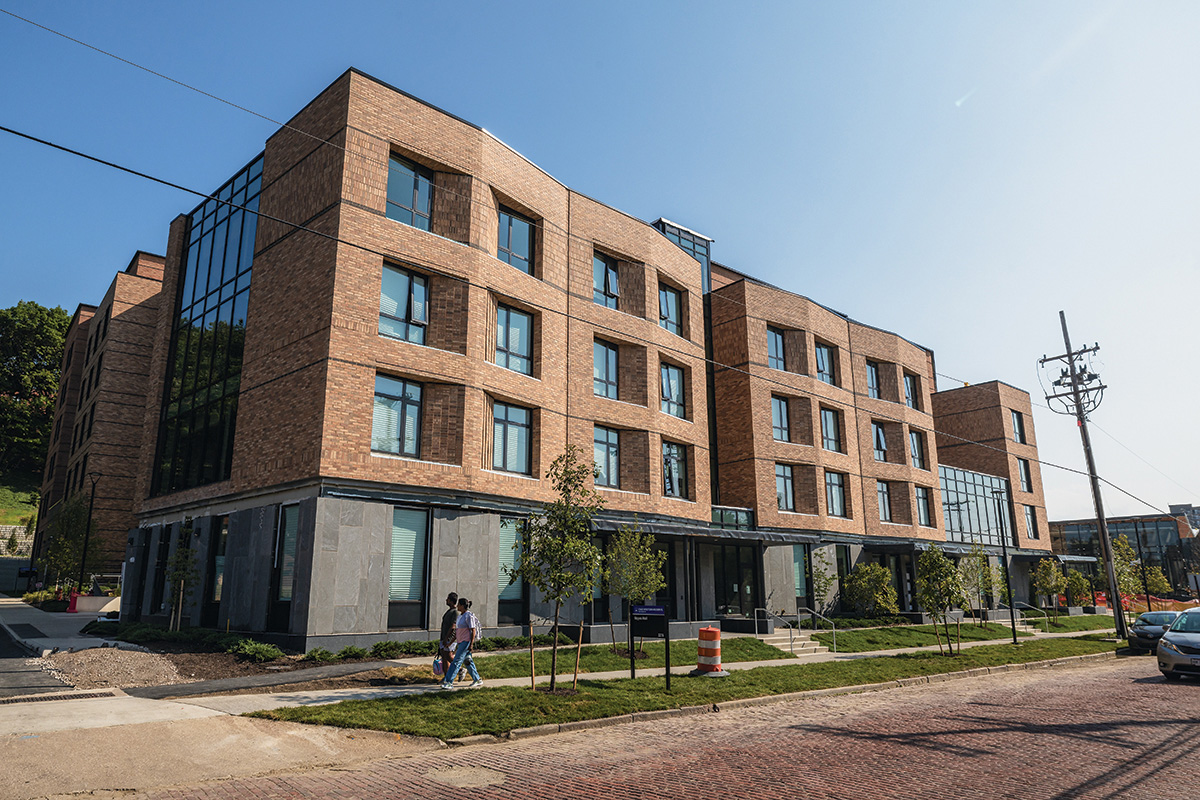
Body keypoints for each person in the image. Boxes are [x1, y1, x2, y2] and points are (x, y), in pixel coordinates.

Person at [440, 597, 482, 690]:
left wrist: (471, 644)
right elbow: (457, 632)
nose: (457, 606)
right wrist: (450, 643)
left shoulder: (469, 616)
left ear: (463, 606)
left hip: (466, 642)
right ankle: (477, 679)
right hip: (460, 642)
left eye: (459, 604)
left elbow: (473, 630)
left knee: (456, 662)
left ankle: (449, 682)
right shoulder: (460, 617)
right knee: (468, 661)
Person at [439, 592, 459, 678]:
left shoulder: (455, 612)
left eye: (447, 599)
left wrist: (447, 638)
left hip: (449, 639)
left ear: (451, 601)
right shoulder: (449, 611)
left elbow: (453, 626)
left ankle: (460, 669)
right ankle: (446, 677)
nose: (446, 600)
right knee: (444, 657)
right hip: (444, 637)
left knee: (448, 656)